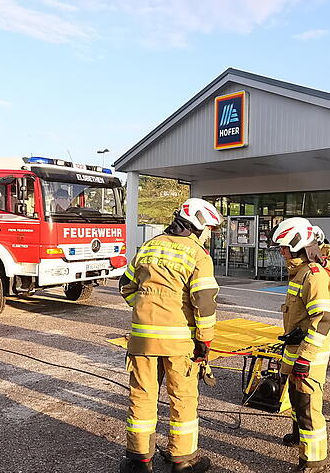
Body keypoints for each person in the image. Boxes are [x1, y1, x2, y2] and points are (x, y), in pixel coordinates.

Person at [118, 198, 222, 473]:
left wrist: (144, 310)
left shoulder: (150, 246)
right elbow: (204, 302)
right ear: (198, 225)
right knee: (183, 399)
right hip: (179, 343)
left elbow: (126, 286)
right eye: (209, 229)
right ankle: (183, 460)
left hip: (142, 339)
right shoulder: (198, 255)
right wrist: (205, 340)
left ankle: (139, 462)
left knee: (142, 397)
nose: (209, 235)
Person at [273, 217, 330, 472]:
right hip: (296, 350)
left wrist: (305, 357)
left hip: (309, 354)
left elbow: (322, 321)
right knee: (296, 399)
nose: (281, 252)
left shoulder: (314, 276)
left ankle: (313, 461)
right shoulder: (299, 273)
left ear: (297, 246)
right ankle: (298, 436)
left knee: (309, 407)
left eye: (284, 247)